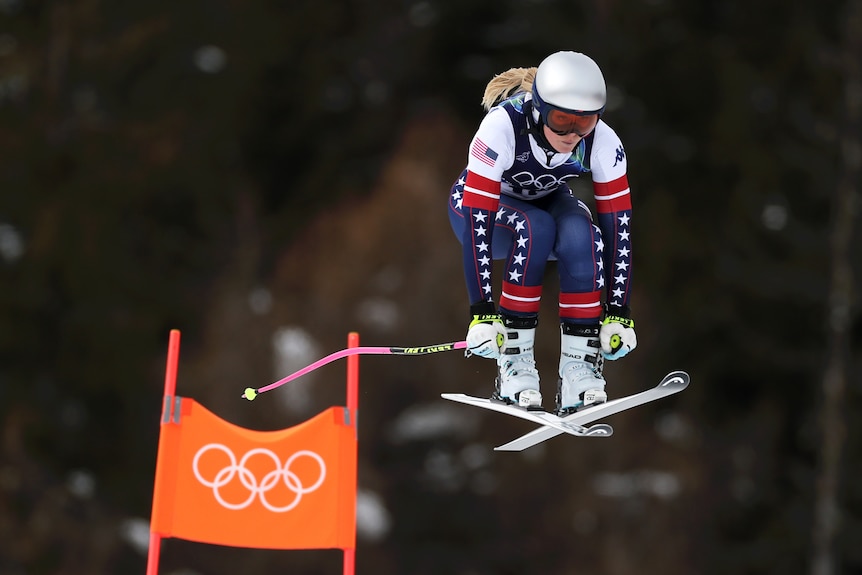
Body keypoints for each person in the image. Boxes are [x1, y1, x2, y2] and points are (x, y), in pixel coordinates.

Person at [448, 51, 637, 415]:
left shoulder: (603, 141)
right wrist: (482, 313)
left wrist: (619, 312)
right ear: (537, 109)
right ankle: (514, 365)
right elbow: (478, 221)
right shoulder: (502, 128)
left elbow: (620, 228)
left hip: (546, 201)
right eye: (561, 120)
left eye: (584, 122)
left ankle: (579, 369)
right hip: (480, 212)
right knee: (535, 226)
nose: (572, 134)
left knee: (583, 231)